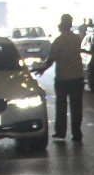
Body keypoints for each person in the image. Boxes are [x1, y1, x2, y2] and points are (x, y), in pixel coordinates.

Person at [36, 13, 84, 142]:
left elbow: (51, 60)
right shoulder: (77, 38)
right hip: (78, 77)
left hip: (63, 78)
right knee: (76, 107)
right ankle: (77, 133)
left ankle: (61, 132)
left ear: (62, 25)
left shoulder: (59, 41)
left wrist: (42, 69)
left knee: (61, 106)